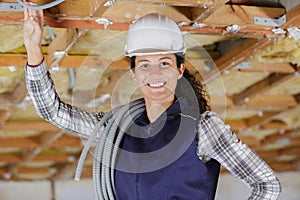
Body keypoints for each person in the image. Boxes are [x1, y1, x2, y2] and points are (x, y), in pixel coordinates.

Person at [23, 2, 282, 200]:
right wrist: (34, 48)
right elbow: (52, 111)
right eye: (145, 64)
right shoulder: (117, 129)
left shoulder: (202, 129)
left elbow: (266, 184)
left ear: (179, 70)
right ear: (134, 73)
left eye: (165, 63)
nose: (155, 74)